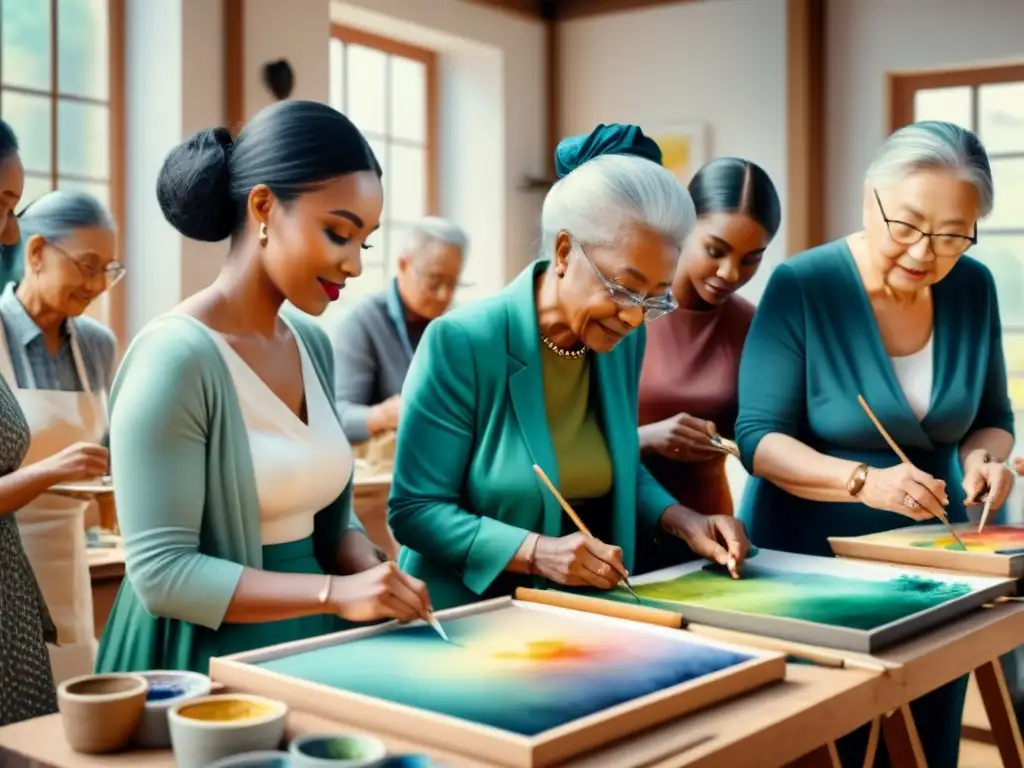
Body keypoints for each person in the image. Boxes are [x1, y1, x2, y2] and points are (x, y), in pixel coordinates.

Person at [95, 101, 433, 677]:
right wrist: (334, 594)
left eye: (365, 243)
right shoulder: (173, 359)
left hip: (308, 642)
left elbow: (320, 507)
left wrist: (355, 551)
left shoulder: (311, 344)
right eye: (339, 233)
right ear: (263, 207)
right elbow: (162, 574)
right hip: (199, 661)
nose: (353, 265)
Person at [734, 121, 1013, 768]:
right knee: (828, 745)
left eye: (951, 235)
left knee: (924, 741)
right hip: (810, 566)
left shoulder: (973, 288)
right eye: (908, 226)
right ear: (870, 200)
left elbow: (992, 415)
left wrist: (985, 460)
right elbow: (758, 439)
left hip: (931, 564)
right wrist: (862, 481)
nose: (924, 252)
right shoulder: (804, 285)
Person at [388, 124, 751, 610]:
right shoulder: (463, 343)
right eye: (624, 289)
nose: (634, 315)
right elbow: (415, 510)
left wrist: (682, 519)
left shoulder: (622, 340)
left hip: (581, 616)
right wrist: (537, 553)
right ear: (563, 251)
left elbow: (615, 461)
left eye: (654, 297)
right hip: (468, 617)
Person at [1, 190, 121, 685]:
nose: (97, 285)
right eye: (87, 265)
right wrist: (53, 470)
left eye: (109, 270)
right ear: (36, 254)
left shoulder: (97, 345)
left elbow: (107, 446)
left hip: (73, 558)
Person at [637, 158, 779, 538]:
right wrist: (646, 439)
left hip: (710, 534)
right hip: (613, 528)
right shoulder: (621, 312)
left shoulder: (755, 327)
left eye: (751, 259)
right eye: (716, 251)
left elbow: (766, 438)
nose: (732, 273)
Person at [330, 216, 467, 443]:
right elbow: (338, 416)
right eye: (435, 281)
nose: (444, 295)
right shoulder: (363, 322)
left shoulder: (455, 325)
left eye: (453, 283)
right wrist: (381, 416)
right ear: (404, 265)